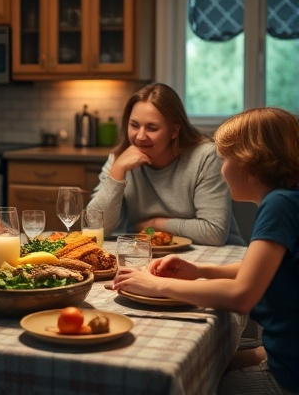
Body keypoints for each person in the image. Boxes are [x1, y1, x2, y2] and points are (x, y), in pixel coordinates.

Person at [111, 107, 299, 394]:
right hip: (283, 353)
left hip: (287, 375)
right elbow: (261, 270)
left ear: (250, 162)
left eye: (225, 159)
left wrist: (159, 285)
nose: (221, 168)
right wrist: (199, 271)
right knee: (196, 368)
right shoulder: (288, 200)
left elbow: (242, 296)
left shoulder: (278, 206)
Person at [88, 83, 244, 245]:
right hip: (148, 257)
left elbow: (214, 232)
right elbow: (94, 227)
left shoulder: (206, 157)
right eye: (134, 125)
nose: (140, 136)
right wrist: (117, 171)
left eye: (152, 128)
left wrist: (155, 225)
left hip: (219, 258)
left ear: (174, 131)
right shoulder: (119, 160)